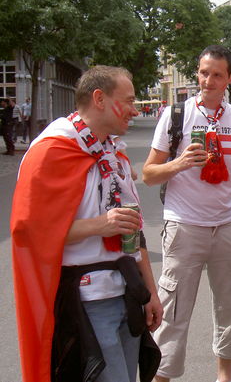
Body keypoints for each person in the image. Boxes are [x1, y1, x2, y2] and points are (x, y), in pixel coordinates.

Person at [11, 65, 163, 382]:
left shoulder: (113, 152)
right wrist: (99, 225)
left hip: (127, 294)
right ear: (99, 98)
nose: (135, 110)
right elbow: (30, 233)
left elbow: (133, 230)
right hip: (87, 302)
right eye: (129, 100)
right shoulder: (52, 151)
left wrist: (149, 290)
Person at [142, 44, 231, 382]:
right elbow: (149, 174)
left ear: (230, 79)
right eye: (204, 72)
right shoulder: (175, 115)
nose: (208, 80)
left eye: (217, 74)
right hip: (184, 227)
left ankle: (225, 376)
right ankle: (160, 377)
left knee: (230, 307)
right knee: (173, 311)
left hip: (226, 229)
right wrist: (178, 164)